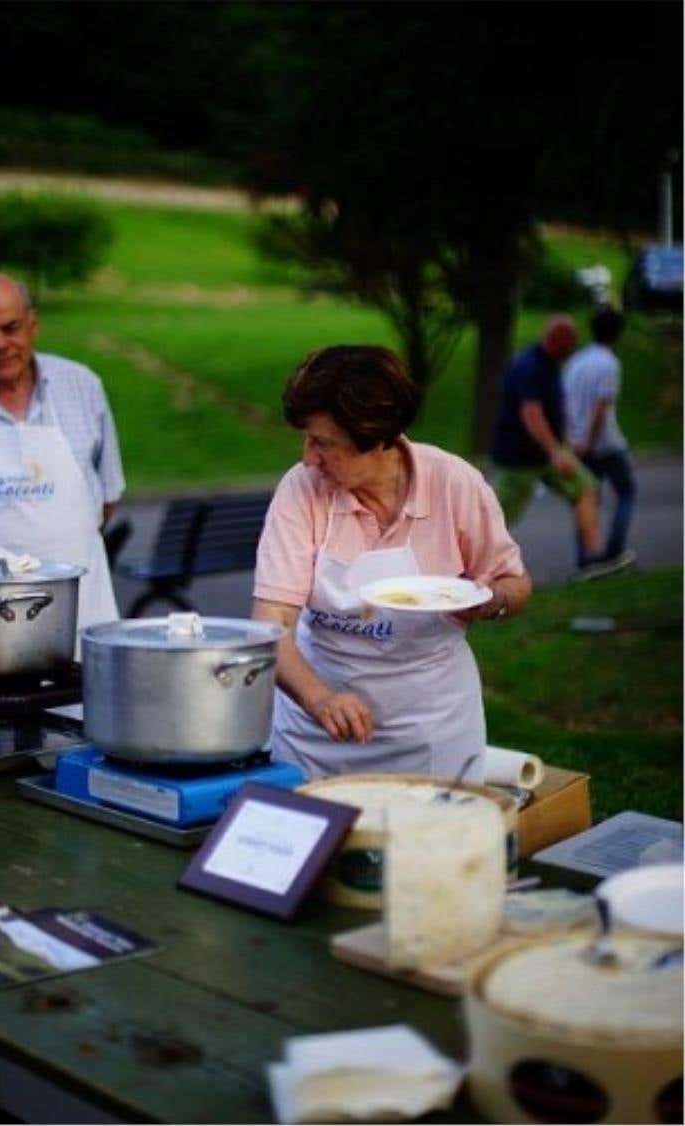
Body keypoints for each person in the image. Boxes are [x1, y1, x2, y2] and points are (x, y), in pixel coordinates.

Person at [252, 344, 531, 782]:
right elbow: (272, 623)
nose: (309, 457)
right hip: (316, 737)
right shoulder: (302, 490)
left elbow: (515, 585)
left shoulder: (453, 483)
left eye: (324, 444)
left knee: (432, 845)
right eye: (308, 439)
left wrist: (489, 600)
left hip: (430, 731)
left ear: (375, 438)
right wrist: (319, 700)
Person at [0, 271, 124, 639]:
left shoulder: (82, 386)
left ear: (33, 325)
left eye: (11, 327)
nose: (0, 343)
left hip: (82, 612)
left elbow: (108, 498)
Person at [491, 314, 614, 578]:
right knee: (497, 519)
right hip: (518, 460)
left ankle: (595, 559)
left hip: (546, 456)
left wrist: (563, 444)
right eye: (570, 344)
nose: (573, 349)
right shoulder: (530, 366)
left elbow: (551, 409)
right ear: (556, 340)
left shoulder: (550, 364)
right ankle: (472, 567)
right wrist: (556, 451)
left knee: (586, 487)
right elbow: (531, 414)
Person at [562, 306, 636, 577]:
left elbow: (566, 403)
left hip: (577, 442)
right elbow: (600, 408)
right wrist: (589, 440)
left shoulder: (576, 361)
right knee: (626, 492)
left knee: (586, 499)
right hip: (605, 443)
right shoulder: (609, 363)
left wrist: (574, 440)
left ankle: (586, 558)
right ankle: (613, 553)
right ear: (617, 333)